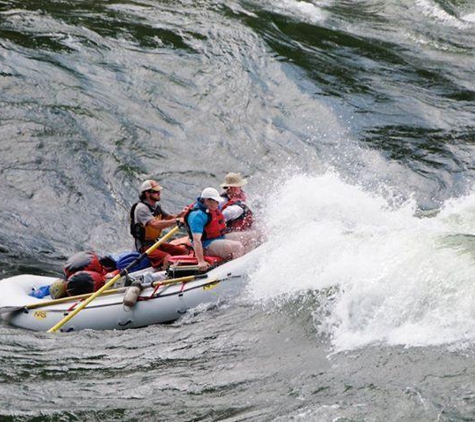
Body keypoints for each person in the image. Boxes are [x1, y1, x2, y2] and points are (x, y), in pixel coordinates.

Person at [130, 180, 187, 269]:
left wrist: (183, 214)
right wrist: (177, 221)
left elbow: (170, 218)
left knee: (182, 251)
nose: (159, 193)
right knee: (167, 257)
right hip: (144, 247)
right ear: (147, 194)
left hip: (155, 242)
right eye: (156, 192)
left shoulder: (156, 206)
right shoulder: (141, 208)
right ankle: (165, 278)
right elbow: (155, 224)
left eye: (159, 191)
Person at [185, 187, 245, 271]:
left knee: (251, 236)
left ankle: (246, 260)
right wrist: (201, 261)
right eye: (216, 201)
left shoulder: (211, 207)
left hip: (218, 238)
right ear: (207, 201)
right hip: (206, 245)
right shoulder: (197, 216)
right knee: (238, 246)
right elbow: (196, 240)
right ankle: (237, 270)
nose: (218, 203)